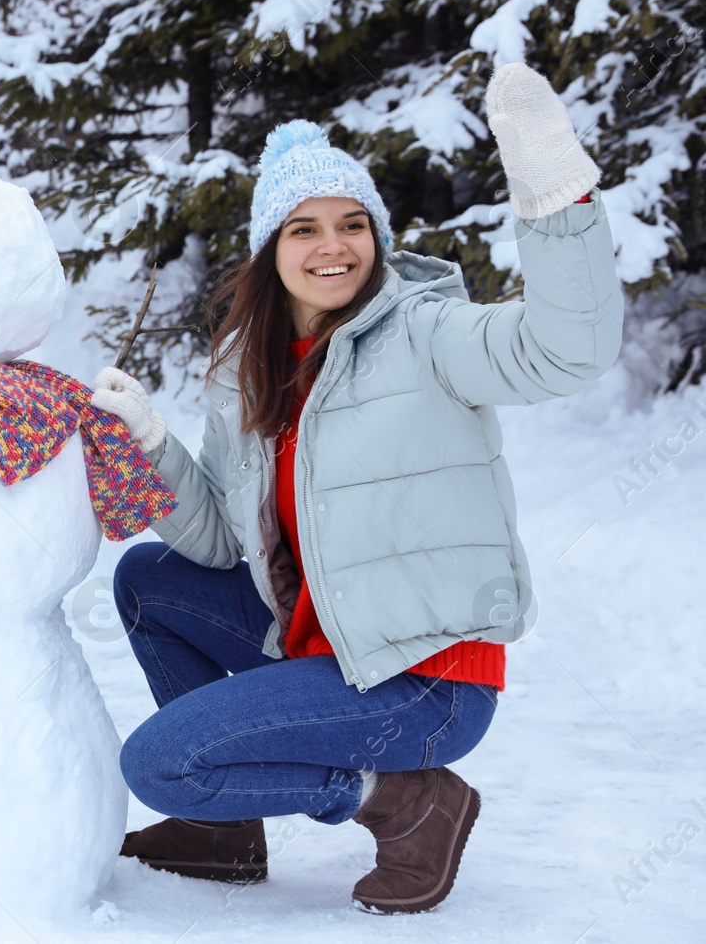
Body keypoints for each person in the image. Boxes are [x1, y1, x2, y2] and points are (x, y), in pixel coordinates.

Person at [88, 63, 620, 913]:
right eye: (303, 228)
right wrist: (153, 442)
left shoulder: (427, 330)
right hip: (328, 646)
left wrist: (557, 204)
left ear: (376, 235)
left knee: (160, 762)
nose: (331, 246)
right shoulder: (249, 373)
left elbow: (567, 350)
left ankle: (408, 800)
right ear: (272, 251)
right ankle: (227, 831)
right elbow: (221, 546)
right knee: (148, 580)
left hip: (424, 679)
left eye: (350, 223)